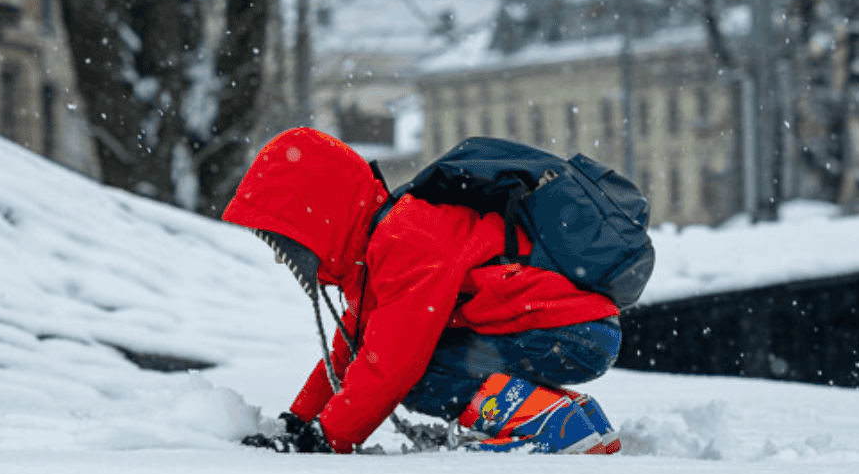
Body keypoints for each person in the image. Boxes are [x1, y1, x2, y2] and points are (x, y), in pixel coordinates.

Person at [223, 127, 624, 454]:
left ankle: (554, 427)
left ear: (319, 219)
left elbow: (389, 367)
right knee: (407, 361)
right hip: (569, 327)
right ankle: (579, 420)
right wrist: (298, 420)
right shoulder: (376, 253)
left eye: (287, 243)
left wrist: (326, 438)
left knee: (418, 373)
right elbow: (350, 352)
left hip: (569, 330)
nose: (284, 259)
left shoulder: (403, 241)